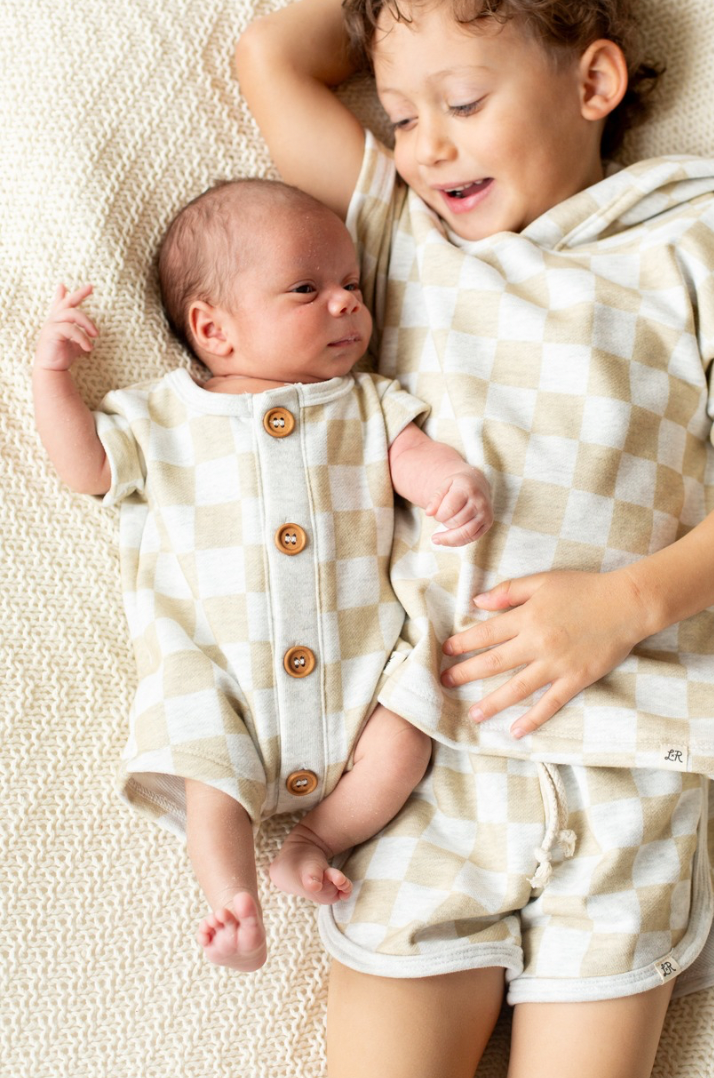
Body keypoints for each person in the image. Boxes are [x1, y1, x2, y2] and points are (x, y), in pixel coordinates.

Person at [237, 0, 714, 1074]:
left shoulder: (699, 239)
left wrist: (625, 605)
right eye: (400, 112)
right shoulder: (404, 242)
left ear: (594, 82)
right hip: (427, 759)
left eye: (465, 102)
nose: (427, 144)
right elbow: (270, 57)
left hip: (631, 766)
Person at [31, 177, 493, 973]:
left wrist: (453, 482)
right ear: (214, 328)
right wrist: (51, 380)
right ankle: (231, 898)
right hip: (223, 679)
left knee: (412, 722)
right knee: (205, 766)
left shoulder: (366, 404)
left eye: (352, 285)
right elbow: (89, 468)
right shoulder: (164, 416)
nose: (346, 303)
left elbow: (414, 458)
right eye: (306, 289)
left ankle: (317, 839)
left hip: (358, 674)